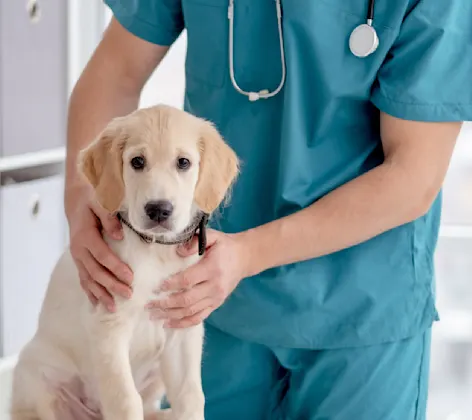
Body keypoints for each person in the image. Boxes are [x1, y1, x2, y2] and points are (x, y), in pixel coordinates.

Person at [65, 1, 472, 418]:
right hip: (211, 306)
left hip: (358, 309)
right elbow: (115, 72)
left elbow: (413, 176)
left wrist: (249, 254)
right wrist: (82, 197)